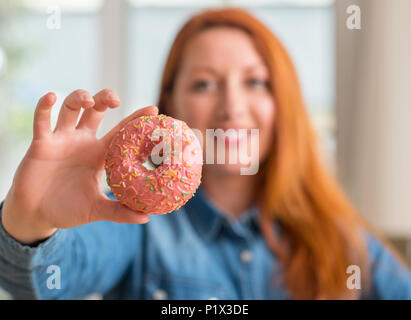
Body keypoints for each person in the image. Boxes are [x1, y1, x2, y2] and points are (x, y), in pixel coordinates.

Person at [0, 7, 410, 300]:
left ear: (283, 105)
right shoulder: (134, 225)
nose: (231, 107)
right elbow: (43, 282)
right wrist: (31, 222)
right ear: (172, 107)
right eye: (204, 84)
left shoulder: (341, 240)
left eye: (255, 82)